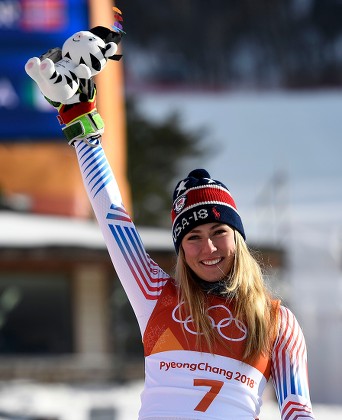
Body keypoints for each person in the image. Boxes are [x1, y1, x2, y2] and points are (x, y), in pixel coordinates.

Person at [29, 47, 315, 420]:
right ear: (180, 250)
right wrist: (83, 125)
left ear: (239, 238)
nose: (208, 247)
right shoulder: (156, 296)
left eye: (219, 231)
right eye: (192, 237)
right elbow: (114, 220)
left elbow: (297, 410)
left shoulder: (277, 322)